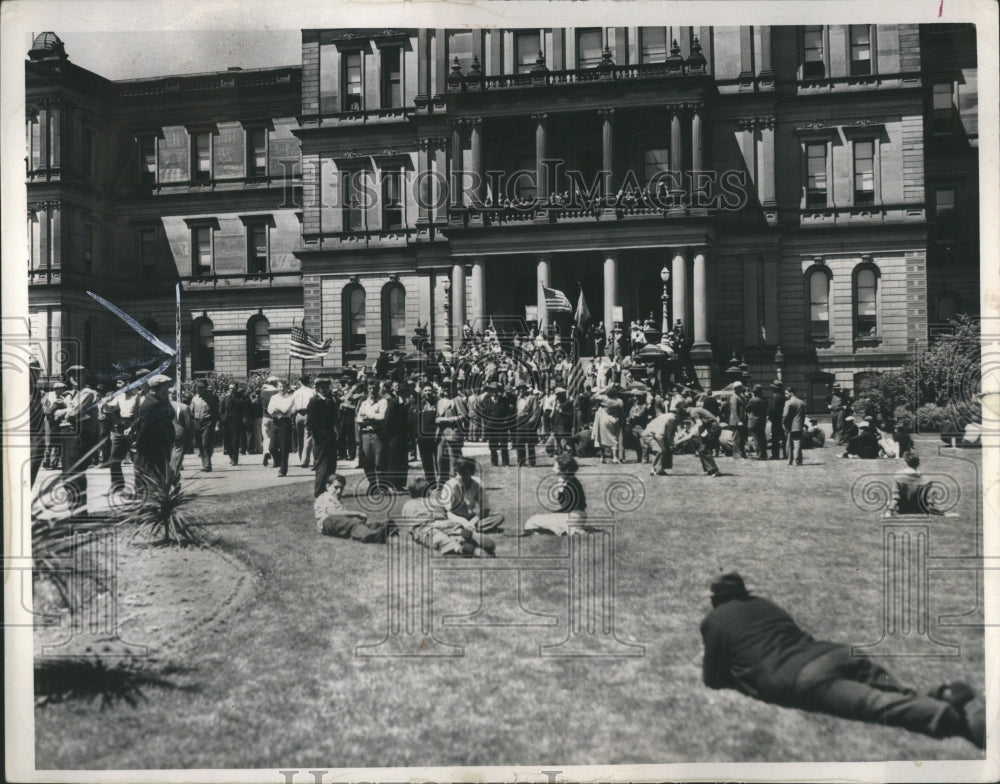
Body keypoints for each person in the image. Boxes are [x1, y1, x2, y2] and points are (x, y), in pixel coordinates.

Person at [700, 572, 984, 749]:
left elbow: (712, 680)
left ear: (715, 598)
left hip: (801, 676)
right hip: (836, 652)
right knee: (892, 692)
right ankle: (939, 696)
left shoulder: (714, 620)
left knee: (874, 705)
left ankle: (954, 720)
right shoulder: (764, 603)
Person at [400, 476, 495, 556]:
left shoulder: (407, 506)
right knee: (454, 530)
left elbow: (409, 526)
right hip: (444, 522)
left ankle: (457, 547)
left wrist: (413, 534)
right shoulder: (436, 501)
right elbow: (448, 513)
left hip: (425, 526)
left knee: (439, 539)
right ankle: (462, 535)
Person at [52, 365, 99, 518]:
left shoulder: (87, 393)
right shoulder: (72, 394)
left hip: (78, 435)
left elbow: (73, 413)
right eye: (72, 375)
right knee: (67, 474)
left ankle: (80, 514)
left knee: (75, 474)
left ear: (85, 376)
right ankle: (75, 512)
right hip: (67, 434)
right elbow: (54, 413)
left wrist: (62, 411)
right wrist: (64, 409)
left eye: (79, 375)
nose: (75, 378)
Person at [131, 374, 176, 496]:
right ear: (158, 388)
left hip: (161, 443)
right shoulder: (151, 404)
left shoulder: (160, 401)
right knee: (152, 474)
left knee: (159, 473)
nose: (168, 390)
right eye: (166, 388)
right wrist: (138, 444)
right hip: (151, 446)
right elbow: (144, 428)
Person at [523, 454, 587, 536]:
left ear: (565, 470)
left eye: (555, 467)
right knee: (543, 520)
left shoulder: (570, 485)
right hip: (578, 517)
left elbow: (567, 507)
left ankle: (570, 530)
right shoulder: (570, 481)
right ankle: (565, 530)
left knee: (532, 520)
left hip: (573, 517)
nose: (553, 469)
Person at [314, 474, 389, 542]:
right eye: (336, 487)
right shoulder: (325, 497)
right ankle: (371, 535)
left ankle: (381, 528)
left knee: (355, 522)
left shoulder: (337, 500)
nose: (339, 491)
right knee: (351, 524)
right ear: (327, 486)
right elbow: (332, 512)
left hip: (338, 522)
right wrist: (355, 513)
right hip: (327, 521)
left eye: (341, 488)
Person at [440, 458, 504, 532]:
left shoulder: (478, 483)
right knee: (444, 522)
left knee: (499, 517)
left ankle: (467, 528)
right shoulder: (450, 486)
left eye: (468, 474)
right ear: (456, 472)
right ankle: (468, 528)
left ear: (472, 472)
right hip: (455, 518)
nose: (465, 477)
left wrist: (472, 522)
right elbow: (448, 512)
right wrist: (464, 522)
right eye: (462, 474)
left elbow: (485, 509)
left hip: (472, 518)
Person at [307, 377, 340, 498]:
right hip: (321, 438)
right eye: (323, 387)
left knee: (332, 464)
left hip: (330, 435)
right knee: (323, 465)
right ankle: (319, 491)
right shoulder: (314, 401)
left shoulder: (329, 400)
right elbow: (311, 423)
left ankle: (329, 488)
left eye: (327, 387)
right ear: (318, 389)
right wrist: (320, 436)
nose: (326, 389)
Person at [674, 403, 721, 477]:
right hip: (712, 427)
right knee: (703, 448)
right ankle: (710, 470)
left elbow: (699, 424)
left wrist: (691, 434)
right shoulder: (696, 410)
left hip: (713, 428)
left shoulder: (693, 412)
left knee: (703, 448)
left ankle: (714, 470)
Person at [356, 382, 388, 489]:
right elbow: (358, 419)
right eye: (369, 388)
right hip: (365, 434)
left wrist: (368, 415)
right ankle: (373, 484)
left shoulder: (382, 402)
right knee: (367, 462)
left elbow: (382, 417)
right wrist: (371, 419)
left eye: (374, 388)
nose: (371, 391)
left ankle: (382, 485)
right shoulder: (364, 403)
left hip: (377, 434)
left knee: (379, 462)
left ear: (378, 389)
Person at [435, 382, 468, 485]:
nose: (445, 391)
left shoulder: (457, 400)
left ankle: (456, 482)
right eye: (443, 388)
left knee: (454, 460)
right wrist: (437, 420)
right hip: (441, 434)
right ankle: (442, 483)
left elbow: (463, 416)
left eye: (447, 388)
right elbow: (437, 416)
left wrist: (446, 420)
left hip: (453, 434)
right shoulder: (440, 402)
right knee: (440, 460)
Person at [266, 378, 296, 477]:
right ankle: (278, 460)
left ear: (287, 388)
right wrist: (275, 410)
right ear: (277, 388)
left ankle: (283, 470)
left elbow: (285, 410)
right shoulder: (274, 397)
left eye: (284, 387)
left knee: (284, 447)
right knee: (272, 447)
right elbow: (269, 409)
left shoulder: (290, 397)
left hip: (285, 422)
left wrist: (277, 409)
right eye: (280, 386)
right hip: (275, 422)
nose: (282, 388)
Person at [384, 381, 410, 491]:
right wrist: (389, 436)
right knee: (394, 461)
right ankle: (392, 484)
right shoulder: (394, 403)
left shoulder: (406, 404)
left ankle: (400, 484)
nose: (406, 395)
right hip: (394, 437)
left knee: (403, 461)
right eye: (404, 392)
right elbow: (387, 421)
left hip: (404, 437)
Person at [190, 379, 219, 472]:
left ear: (206, 388)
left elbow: (216, 412)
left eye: (201, 387)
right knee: (199, 445)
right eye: (198, 387)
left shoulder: (212, 398)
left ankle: (208, 464)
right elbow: (191, 411)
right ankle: (204, 463)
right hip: (197, 422)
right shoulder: (194, 398)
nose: (199, 389)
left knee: (205, 443)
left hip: (208, 422)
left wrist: (217, 424)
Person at [480, 382, 512, 467]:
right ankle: (494, 462)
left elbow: (508, 412)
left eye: (495, 390)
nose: (494, 392)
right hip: (491, 427)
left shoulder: (503, 400)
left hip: (502, 426)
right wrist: (486, 424)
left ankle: (505, 462)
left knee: (503, 445)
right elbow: (484, 413)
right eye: (492, 390)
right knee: (492, 446)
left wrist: (506, 421)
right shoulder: (486, 400)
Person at [591, 383, 624, 464]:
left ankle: (602, 457)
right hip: (613, 419)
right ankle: (615, 457)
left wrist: (604, 389)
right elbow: (622, 412)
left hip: (603, 419)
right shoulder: (619, 401)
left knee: (601, 438)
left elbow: (592, 398)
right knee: (614, 438)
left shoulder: (603, 398)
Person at [642, 408, 679, 476]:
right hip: (649, 435)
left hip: (656, 435)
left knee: (667, 449)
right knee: (660, 451)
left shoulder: (672, 419)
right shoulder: (669, 419)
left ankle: (661, 469)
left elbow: (672, 433)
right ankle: (653, 469)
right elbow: (659, 435)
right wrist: (663, 446)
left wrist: (671, 444)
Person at [219, 383, 249, 466]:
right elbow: (221, 410)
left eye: (233, 388)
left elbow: (243, 407)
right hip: (226, 422)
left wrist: (233, 397)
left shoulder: (240, 398)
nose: (231, 390)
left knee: (235, 441)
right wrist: (222, 419)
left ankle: (235, 459)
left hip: (236, 422)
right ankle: (231, 456)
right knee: (227, 441)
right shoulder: (225, 398)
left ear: (236, 389)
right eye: (230, 388)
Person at [512, 382, 541, 468]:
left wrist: (530, 421)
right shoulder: (518, 399)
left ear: (526, 389)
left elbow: (536, 412)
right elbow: (517, 410)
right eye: (519, 389)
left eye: (522, 388)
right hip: (520, 422)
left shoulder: (532, 398)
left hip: (528, 422)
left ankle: (532, 462)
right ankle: (521, 461)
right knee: (519, 442)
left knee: (530, 443)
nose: (521, 390)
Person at [416, 384, 439, 485]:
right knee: (426, 461)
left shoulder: (438, 403)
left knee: (438, 459)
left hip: (435, 436)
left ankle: (441, 480)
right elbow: (415, 421)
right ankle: (431, 481)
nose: (428, 393)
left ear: (433, 392)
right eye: (425, 391)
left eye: (430, 390)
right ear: (422, 392)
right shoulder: (419, 405)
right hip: (423, 437)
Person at [293, 374, 317, 468]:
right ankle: (305, 460)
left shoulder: (296, 392)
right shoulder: (312, 392)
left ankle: (302, 460)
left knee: (300, 438)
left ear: (300, 382)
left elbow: (293, 405)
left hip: (298, 414)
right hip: (308, 414)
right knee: (308, 438)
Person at [259, 375, 280, 466]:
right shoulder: (277, 392)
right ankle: (276, 459)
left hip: (265, 416)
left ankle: (266, 452)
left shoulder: (262, 391)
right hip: (275, 417)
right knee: (275, 439)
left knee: (266, 437)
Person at [783, 386, 806, 466]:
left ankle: (790, 460)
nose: (785, 395)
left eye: (786, 393)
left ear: (791, 393)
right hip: (799, 425)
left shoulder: (788, 402)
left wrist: (784, 424)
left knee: (789, 445)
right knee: (797, 444)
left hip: (790, 426)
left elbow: (785, 415)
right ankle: (798, 460)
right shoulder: (801, 402)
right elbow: (803, 415)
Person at [746, 384, 768, 460]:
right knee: (762, 438)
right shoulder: (764, 400)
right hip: (762, 420)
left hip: (753, 421)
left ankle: (759, 454)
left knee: (756, 438)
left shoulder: (752, 400)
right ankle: (764, 454)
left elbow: (747, 409)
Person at [728, 381, 748, 459]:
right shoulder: (734, 397)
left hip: (741, 420)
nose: (741, 389)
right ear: (735, 389)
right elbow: (734, 410)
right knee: (736, 438)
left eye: (741, 388)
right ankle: (736, 455)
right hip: (737, 421)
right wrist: (738, 421)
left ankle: (741, 453)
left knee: (741, 438)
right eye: (739, 388)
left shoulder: (739, 396)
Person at [767, 381, 786, 461]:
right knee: (783, 437)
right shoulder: (783, 396)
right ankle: (786, 453)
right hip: (780, 419)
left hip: (776, 419)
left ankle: (775, 454)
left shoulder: (775, 396)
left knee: (775, 438)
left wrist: (769, 416)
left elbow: (773, 409)